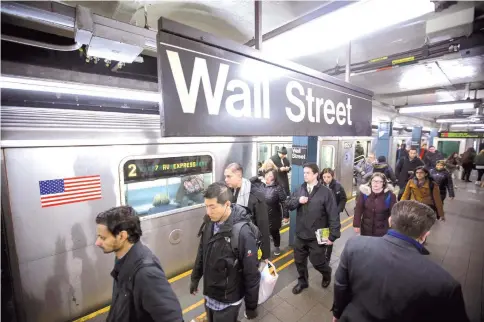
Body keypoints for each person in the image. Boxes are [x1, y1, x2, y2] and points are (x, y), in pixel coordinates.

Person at [332, 201, 470, 322]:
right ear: (424, 235)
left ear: (390, 221)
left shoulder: (355, 245)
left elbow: (340, 286)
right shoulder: (445, 284)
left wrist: (337, 313)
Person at [94, 206, 183, 322]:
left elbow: (171, 317)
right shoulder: (122, 258)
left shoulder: (145, 272)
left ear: (122, 236)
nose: (97, 243)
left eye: (103, 238)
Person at [190, 182, 260, 322]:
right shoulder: (209, 222)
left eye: (213, 207)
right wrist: (195, 277)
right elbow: (202, 251)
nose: (208, 212)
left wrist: (251, 306)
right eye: (206, 206)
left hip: (228, 300)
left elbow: (251, 273)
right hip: (210, 294)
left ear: (227, 204)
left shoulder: (242, 233)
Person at [286, 163, 341, 294]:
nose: (305, 175)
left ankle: (326, 273)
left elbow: (333, 214)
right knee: (299, 261)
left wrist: (333, 235)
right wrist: (298, 200)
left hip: (317, 235)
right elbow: (288, 204)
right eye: (304, 173)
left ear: (316, 174)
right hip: (300, 234)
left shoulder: (326, 192)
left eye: (308, 173)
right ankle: (303, 282)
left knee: (318, 262)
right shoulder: (299, 189)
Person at [224, 163, 271, 261]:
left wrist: (265, 255)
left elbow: (263, 226)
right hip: (235, 242)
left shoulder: (256, 196)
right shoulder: (231, 192)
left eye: (229, 176)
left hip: (250, 243)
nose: (226, 179)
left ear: (239, 176)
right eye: (225, 176)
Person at [250, 168, 289, 256]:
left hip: (274, 215)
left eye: (270, 176)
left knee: (274, 232)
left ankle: (277, 246)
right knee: (261, 233)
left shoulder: (278, 188)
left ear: (274, 178)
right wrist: (257, 178)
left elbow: (284, 202)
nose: (268, 177)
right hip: (262, 214)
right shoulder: (261, 185)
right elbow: (250, 182)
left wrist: (286, 215)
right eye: (267, 175)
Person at [353, 173, 396, 237]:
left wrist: (392, 226)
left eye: (379, 181)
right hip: (366, 230)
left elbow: (394, 213)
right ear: (371, 182)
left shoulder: (390, 196)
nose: (376, 183)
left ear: (383, 183)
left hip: (383, 231)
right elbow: (358, 209)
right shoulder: (364, 194)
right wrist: (356, 224)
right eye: (374, 181)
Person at [320, 168, 347, 262]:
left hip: (333, 216)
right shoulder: (319, 186)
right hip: (322, 216)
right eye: (324, 177)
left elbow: (343, 199)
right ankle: (322, 254)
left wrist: (337, 210)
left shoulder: (338, 186)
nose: (326, 179)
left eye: (328, 177)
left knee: (330, 237)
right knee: (323, 235)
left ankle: (327, 257)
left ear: (332, 176)